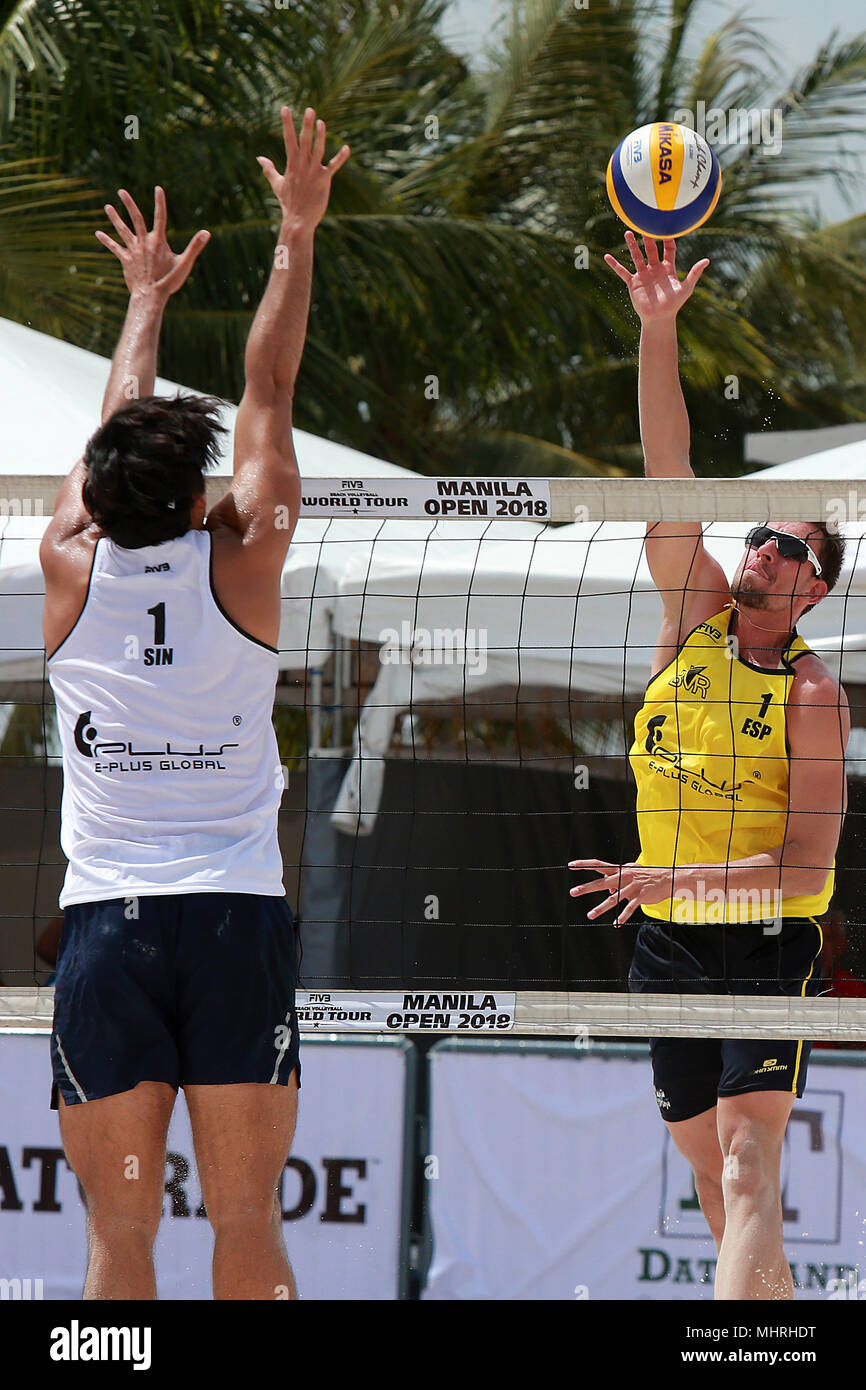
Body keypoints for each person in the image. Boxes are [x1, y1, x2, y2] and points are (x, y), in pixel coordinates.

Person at [40, 106, 349, 1300]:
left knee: (118, 1242)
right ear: (194, 491)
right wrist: (294, 231)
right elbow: (268, 384)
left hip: (108, 926)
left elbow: (112, 430)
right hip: (231, 919)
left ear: (100, 496)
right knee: (245, 1222)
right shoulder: (246, 554)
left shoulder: (65, 565)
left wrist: (144, 300)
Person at [569, 232, 850, 1301]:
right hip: (666, 948)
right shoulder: (691, 620)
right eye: (758, 538)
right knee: (709, 1176)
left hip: (765, 945)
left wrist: (670, 879)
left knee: (745, 1164)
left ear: (814, 589)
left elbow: (804, 867)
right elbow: (666, 477)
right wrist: (655, 330)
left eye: (787, 550)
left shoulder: (811, 693)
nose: (760, 551)